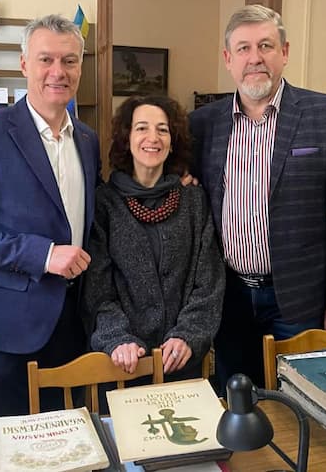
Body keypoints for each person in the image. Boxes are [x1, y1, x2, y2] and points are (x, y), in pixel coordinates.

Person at [189, 4, 326, 391]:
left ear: (284, 53)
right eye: (243, 48)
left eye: (265, 46)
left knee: (307, 400)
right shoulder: (203, 124)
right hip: (230, 297)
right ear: (228, 59)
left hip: (301, 299)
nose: (255, 58)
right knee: (238, 401)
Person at [0, 14, 100, 429]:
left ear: (80, 67)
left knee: (67, 440)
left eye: (69, 61)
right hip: (4, 327)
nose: (58, 72)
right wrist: (42, 254)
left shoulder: (87, 140)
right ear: (24, 63)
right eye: (46, 59)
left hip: (72, 324)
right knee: (5, 444)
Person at [83, 95, 224, 382]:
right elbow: (97, 290)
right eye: (141, 128)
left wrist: (188, 335)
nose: (153, 138)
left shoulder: (194, 201)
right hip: (122, 362)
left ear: (172, 142)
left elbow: (209, 282)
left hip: (182, 361)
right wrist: (117, 337)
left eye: (162, 130)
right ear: (127, 139)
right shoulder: (104, 203)